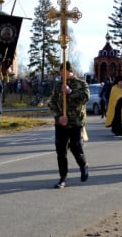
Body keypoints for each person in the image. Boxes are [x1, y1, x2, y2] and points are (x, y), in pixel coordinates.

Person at [48, 61, 89, 189]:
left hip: (75, 122)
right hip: (61, 123)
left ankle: (83, 165)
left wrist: (70, 92)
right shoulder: (58, 86)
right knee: (60, 150)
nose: (62, 74)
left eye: (64, 71)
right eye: (61, 71)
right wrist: (59, 117)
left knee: (76, 147)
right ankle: (63, 178)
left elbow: (85, 98)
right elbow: (52, 102)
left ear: (71, 71)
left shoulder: (81, 84)